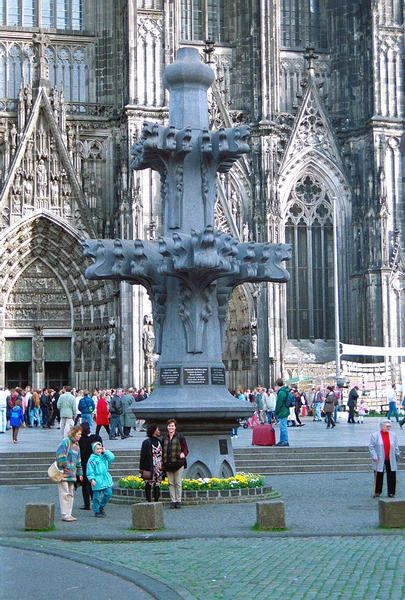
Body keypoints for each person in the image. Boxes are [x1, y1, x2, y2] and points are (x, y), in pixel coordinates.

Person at [55, 425, 83, 521]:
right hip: (63, 473)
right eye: (79, 434)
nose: (80, 436)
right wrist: (66, 465)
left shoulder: (77, 445)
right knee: (64, 493)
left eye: (80, 434)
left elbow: (78, 460)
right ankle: (64, 514)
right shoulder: (66, 442)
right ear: (74, 433)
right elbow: (60, 455)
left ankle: (69, 513)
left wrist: (80, 473)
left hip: (72, 474)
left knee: (70, 493)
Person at [369, 419, 400, 498]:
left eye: (389, 426)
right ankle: (377, 491)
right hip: (379, 457)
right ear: (382, 426)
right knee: (379, 474)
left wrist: (397, 454)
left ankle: (391, 492)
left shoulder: (393, 435)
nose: (389, 428)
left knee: (392, 474)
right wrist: (374, 456)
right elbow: (371, 447)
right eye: (387, 426)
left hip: (390, 457)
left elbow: (396, 446)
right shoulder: (375, 435)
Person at [162, 418, 189, 509]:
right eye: (169, 426)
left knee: (177, 482)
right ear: (167, 427)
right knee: (170, 483)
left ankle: (178, 500)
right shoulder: (164, 437)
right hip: (168, 464)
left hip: (178, 463)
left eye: (172, 426)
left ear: (175, 427)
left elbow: (186, 449)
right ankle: (173, 501)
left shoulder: (180, 436)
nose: (171, 427)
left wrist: (183, 453)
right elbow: (162, 450)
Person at [78, 421, 102, 510]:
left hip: (84, 464)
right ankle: (95, 501)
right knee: (93, 484)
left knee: (85, 485)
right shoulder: (95, 438)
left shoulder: (80, 441)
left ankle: (87, 504)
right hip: (94, 464)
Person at [86, 441, 115, 517]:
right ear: (94, 450)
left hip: (105, 478)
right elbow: (90, 470)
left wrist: (105, 451)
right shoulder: (91, 460)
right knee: (96, 497)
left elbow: (112, 457)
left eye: (100, 449)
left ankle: (101, 506)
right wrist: (92, 479)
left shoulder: (104, 457)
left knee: (108, 493)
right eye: (97, 449)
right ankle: (96, 511)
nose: (99, 450)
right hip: (97, 479)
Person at [139, 423, 163, 502]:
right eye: (158, 430)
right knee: (148, 484)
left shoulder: (160, 441)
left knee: (157, 484)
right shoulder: (146, 442)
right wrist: (141, 468)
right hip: (148, 467)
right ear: (154, 431)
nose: (159, 431)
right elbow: (142, 456)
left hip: (158, 467)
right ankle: (148, 500)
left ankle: (156, 500)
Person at [275, 378, 290, 446]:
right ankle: (282, 440)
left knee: (283, 427)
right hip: (284, 410)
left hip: (282, 411)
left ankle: (285, 441)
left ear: (277, 384)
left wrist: (276, 411)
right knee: (282, 426)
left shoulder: (281, 392)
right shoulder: (284, 391)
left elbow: (279, 403)